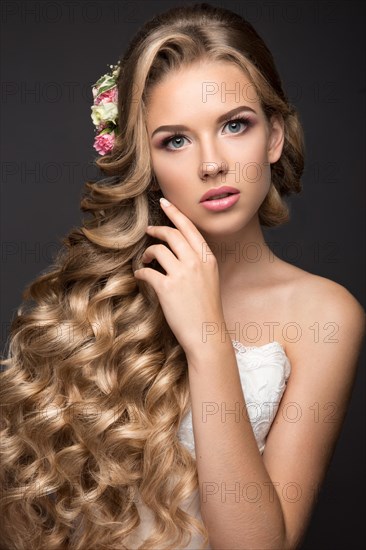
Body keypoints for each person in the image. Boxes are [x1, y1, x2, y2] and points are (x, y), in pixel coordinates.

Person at [0, 3, 364, 549]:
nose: (211, 163)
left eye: (234, 125)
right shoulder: (94, 300)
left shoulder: (325, 315)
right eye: (176, 139)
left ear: (274, 137)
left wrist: (208, 338)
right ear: (145, 159)